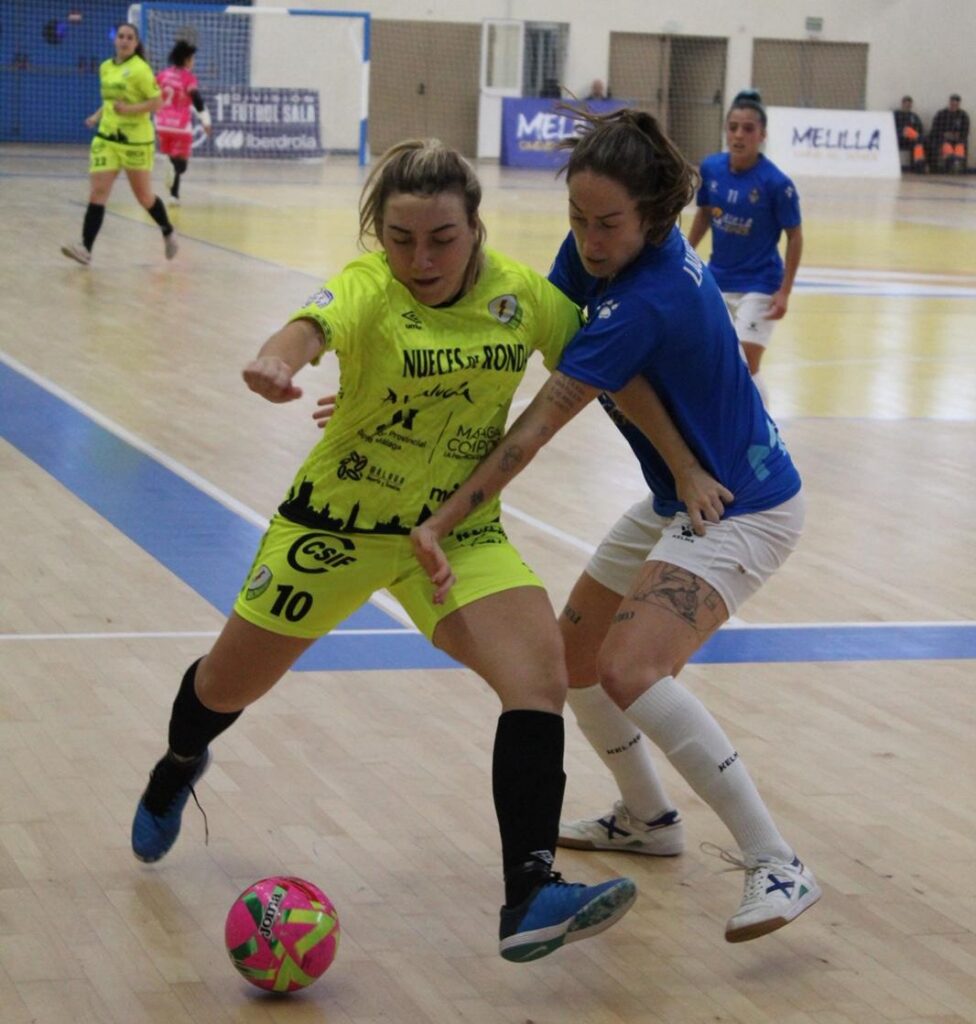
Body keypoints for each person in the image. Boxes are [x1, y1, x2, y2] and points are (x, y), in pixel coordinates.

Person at [128, 138, 638, 964]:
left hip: (456, 532)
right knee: (223, 686)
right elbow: (310, 325)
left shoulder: (525, 296)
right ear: (379, 235)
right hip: (333, 530)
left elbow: (610, 363)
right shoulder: (370, 286)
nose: (420, 256)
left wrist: (690, 460)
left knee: (538, 673)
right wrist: (276, 358)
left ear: (476, 228)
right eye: (401, 239)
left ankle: (530, 893)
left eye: (441, 237)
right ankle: (180, 761)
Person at [410, 108, 822, 945]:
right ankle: (648, 818)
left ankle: (777, 860)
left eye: (608, 226)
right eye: (578, 221)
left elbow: (535, 429)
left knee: (633, 666)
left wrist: (445, 515)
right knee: (575, 660)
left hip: (746, 507)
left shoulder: (652, 296)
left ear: (657, 219)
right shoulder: (605, 261)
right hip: (684, 494)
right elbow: (533, 339)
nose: (589, 242)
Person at [686, 89, 803, 405]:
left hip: (760, 285)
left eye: (748, 129)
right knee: (713, 359)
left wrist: (785, 291)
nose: (739, 135)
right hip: (718, 280)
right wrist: (683, 253)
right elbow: (705, 215)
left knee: (745, 366)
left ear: (762, 135)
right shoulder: (711, 168)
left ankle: (764, 431)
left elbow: (795, 237)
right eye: (733, 127)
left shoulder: (776, 183)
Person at [61, 22, 177, 266]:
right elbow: (112, 100)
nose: (124, 41)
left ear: (135, 44)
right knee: (98, 192)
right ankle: (86, 248)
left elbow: (157, 103)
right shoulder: (105, 67)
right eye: (121, 36)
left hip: (135, 142)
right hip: (106, 139)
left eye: (130, 38)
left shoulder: (140, 70)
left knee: (144, 197)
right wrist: (97, 115)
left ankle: (167, 229)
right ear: (115, 41)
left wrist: (130, 110)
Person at [155, 39, 213, 205]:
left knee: (173, 159)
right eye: (193, 59)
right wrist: (205, 120)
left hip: (161, 124)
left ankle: (174, 196)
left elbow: (151, 95)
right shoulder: (188, 78)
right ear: (187, 60)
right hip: (180, 126)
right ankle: (172, 167)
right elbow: (196, 98)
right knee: (181, 165)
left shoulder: (162, 75)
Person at [930, 93, 969, 173]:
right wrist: (944, 134)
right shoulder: (941, 114)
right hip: (943, 139)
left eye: (956, 104)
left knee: (960, 146)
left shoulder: (963, 115)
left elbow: (965, 130)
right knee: (946, 146)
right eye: (953, 103)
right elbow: (934, 129)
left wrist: (958, 135)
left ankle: (958, 165)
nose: (954, 105)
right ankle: (949, 164)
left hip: (958, 140)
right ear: (950, 103)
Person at [893, 95, 927, 173]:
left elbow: (920, 128)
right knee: (907, 130)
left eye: (909, 104)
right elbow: (891, 127)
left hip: (912, 139)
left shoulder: (914, 116)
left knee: (918, 144)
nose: (908, 106)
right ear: (902, 104)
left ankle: (918, 164)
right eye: (906, 104)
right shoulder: (896, 114)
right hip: (900, 138)